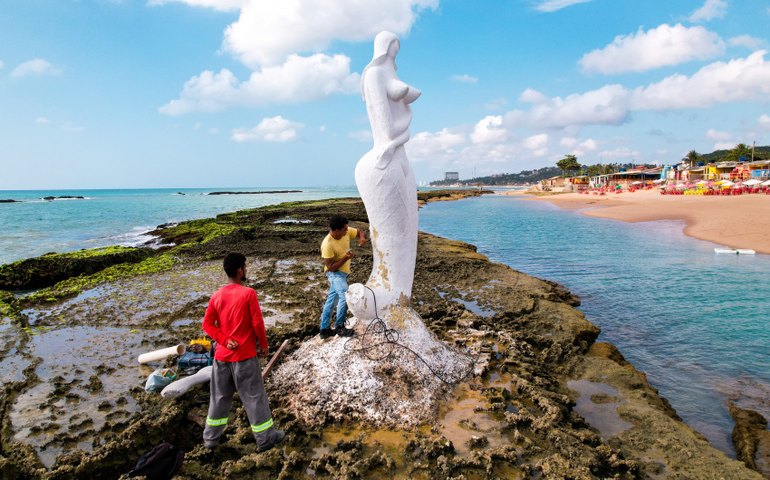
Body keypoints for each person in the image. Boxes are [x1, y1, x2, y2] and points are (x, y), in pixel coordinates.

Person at [201, 252, 284, 452]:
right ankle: (265, 439)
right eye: (245, 267)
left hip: (221, 359)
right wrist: (264, 346)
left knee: (219, 398)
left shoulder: (217, 295)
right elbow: (257, 323)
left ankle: (211, 439)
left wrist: (223, 339)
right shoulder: (248, 294)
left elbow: (207, 324)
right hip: (244, 358)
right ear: (240, 270)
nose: (246, 270)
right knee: (254, 397)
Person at [319, 215, 366, 338]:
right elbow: (331, 268)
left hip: (343, 274)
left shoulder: (345, 232)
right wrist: (345, 258)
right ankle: (340, 327)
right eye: (344, 229)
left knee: (331, 301)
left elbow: (360, 231)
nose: (347, 231)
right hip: (334, 274)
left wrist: (362, 239)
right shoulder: (327, 244)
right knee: (345, 295)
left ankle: (324, 330)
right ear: (336, 230)